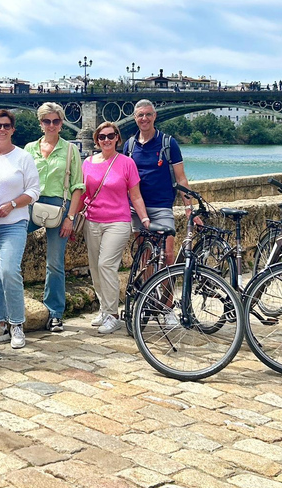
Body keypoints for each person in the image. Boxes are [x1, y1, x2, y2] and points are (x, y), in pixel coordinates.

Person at [0, 110, 40, 349]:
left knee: (8, 272)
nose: (1, 129)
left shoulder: (23, 157)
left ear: (13, 129)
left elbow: (34, 191)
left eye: (6, 125)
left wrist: (12, 204)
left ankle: (16, 324)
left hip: (14, 223)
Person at [82, 122, 150, 334]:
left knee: (106, 265)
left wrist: (145, 219)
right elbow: (82, 193)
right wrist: (71, 217)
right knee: (94, 267)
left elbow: (135, 195)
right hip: (92, 220)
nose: (107, 140)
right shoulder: (88, 163)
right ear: (97, 140)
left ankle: (113, 315)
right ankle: (104, 308)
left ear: (117, 138)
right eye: (102, 137)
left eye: (111, 136)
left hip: (118, 221)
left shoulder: (126, 163)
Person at [25, 102, 85, 333]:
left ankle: (55, 313)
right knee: (6, 246)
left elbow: (77, 187)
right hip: (31, 205)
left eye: (56, 121)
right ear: (40, 124)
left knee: (55, 263)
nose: (51, 125)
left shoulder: (70, 150)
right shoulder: (30, 148)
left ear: (61, 123)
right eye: (46, 121)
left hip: (60, 206)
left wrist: (71, 217)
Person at [123, 99, 199, 268]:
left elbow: (181, 178)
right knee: (145, 258)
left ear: (155, 116)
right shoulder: (129, 146)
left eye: (148, 114)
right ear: (135, 118)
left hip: (162, 207)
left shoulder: (168, 143)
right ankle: (147, 294)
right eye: (141, 115)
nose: (145, 118)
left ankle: (166, 296)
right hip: (136, 209)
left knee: (168, 257)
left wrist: (189, 208)